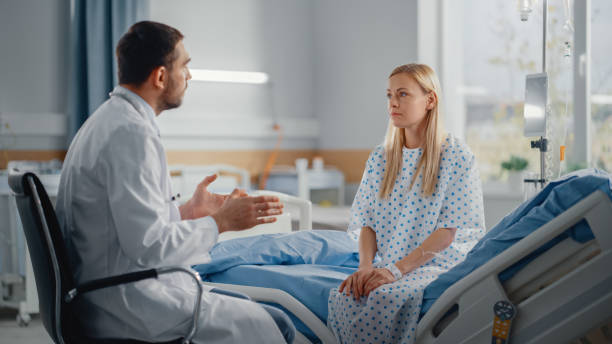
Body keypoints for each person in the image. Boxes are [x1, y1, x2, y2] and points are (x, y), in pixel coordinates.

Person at [56, 21, 294, 343]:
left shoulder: (108, 121)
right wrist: (219, 222)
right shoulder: (130, 133)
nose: (189, 76)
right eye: (185, 66)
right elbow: (148, 246)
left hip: (111, 292)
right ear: (160, 76)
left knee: (268, 317)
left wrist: (188, 213)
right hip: (128, 304)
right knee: (275, 324)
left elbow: (127, 228)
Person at [327, 63, 486, 343]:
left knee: (385, 297)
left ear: (430, 100)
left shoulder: (456, 155)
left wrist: (396, 271)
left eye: (403, 94)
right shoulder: (381, 157)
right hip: (390, 261)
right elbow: (367, 222)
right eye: (389, 95)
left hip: (440, 262)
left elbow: (448, 232)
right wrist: (365, 267)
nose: (393, 103)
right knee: (347, 296)